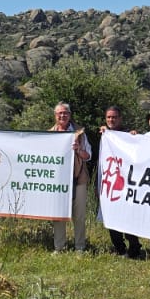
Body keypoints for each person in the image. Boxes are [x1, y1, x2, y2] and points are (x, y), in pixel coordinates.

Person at [97, 105, 144, 259]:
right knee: (112, 217)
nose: (111, 119)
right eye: (109, 117)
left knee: (127, 218)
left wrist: (134, 137)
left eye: (114, 117)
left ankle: (134, 248)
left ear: (120, 118)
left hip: (126, 184)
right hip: (110, 183)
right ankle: (119, 249)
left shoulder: (128, 134)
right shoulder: (105, 135)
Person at [49, 102, 91, 253]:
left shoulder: (79, 133)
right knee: (58, 215)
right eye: (59, 113)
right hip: (58, 182)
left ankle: (80, 247)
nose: (62, 116)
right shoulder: (49, 134)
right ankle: (59, 247)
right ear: (55, 116)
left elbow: (88, 156)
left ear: (70, 115)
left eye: (65, 113)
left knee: (79, 215)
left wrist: (79, 150)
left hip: (78, 179)